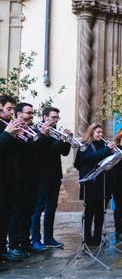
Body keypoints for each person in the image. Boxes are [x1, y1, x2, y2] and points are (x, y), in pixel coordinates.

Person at [6, 102, 51, 258]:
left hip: (32, 176)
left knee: (28, 212)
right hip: (19, 176)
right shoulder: (16, 129)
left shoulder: (31, 130)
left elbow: (40, 152)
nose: (32, 115)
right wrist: (37, 137)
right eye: (29, 113)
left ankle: (25, 243)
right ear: (19, 114)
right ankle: (13, 245)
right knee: (17, 213)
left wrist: (43, 136)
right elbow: (21, 150)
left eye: (32, 113)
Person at [30, 107, 71, 251]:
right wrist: (60, 140)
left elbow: (64, 152)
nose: (56, 120)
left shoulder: (55, 132)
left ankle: (48, 237)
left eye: (57, 118)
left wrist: (66, 141)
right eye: (53, 117)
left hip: (54, 175)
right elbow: (47, 151)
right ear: (45, 117)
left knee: (51, 208)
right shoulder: (38, 131)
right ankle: (35, 239)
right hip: (41, 176)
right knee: (38, 208)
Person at [74, 123, 115, 246]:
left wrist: (112, 153)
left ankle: (97, 238)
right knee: (89, 211)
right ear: (91, 133)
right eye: (98, 132)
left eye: (102, 132)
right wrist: (107, 150)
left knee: (100, 212)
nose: (101, 135)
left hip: (102, 182)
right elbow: (88, 158)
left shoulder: (103, 145)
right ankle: (86, 237)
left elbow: (108, 162)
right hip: (90, 182)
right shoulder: (84, 145)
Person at [0, 95, 20, 268]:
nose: (12, 112)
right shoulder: (4, 128)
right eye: (9, 109)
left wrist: (18, 137)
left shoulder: (9, 126)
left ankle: (3, 251)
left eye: (13, 109)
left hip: (10, 179)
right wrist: (7, 135)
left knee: (6, 217)